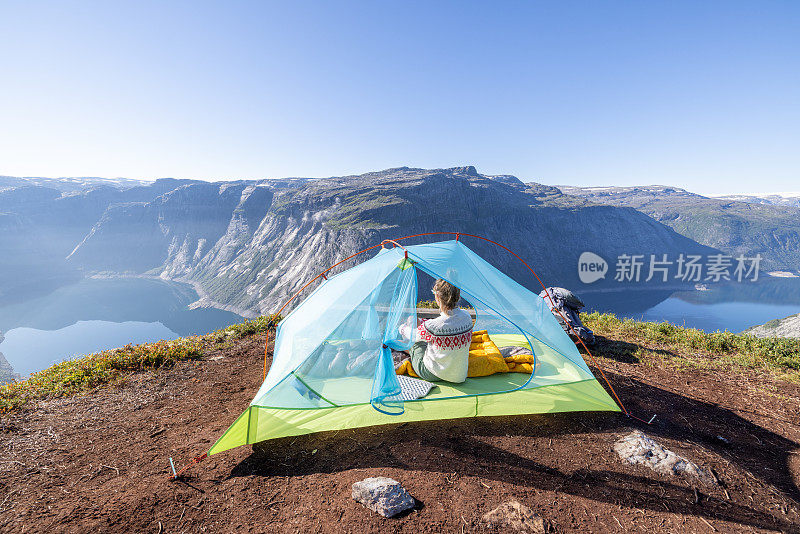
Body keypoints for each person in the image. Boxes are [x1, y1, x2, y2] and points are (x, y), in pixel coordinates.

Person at [398, 279, 473, 383]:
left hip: (431, 373)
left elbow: (413, 335)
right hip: (458, 375)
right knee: (425, 333)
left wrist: (401, 328)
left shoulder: (434, 326)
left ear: (437, 297)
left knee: (415, 337)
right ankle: (407, 346)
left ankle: (403, 347)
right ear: (458, 296)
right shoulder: (467, 317)